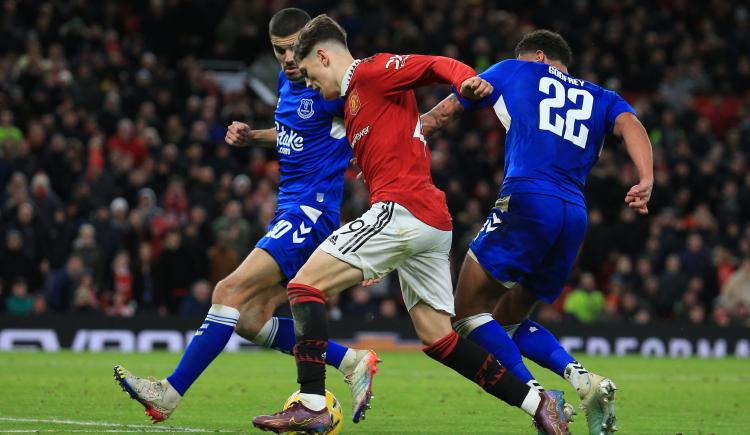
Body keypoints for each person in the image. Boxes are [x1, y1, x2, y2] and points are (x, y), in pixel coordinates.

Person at [252, 15, 567, 435]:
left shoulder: (371, 71)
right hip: (430, 223)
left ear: (324, 56)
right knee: (439, 339)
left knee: (304, 286)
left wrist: (467, 81)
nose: (308, 83)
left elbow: (435, 64)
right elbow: (394, 135)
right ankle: (537, 403)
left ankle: (312, 403)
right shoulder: (354, 101)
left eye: (309, 73)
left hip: (404, 210)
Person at [113, 8, 378, 424]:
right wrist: (255, 136)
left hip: (311, 211)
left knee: (227, 291)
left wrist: (373, 227)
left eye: (294, 50)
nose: (289, 60)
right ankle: (352, 362)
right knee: (252, 320)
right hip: (287, 207)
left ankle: (169, 391)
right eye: (279, 51)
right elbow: (296, 133)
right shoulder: (286, 82)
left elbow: (368, 132)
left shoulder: (333, 87)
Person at [421, 29, 653, 435]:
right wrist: (647, 178)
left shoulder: (516, 70)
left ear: (540, 57)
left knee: (466, 313)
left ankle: (539, 399)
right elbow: (631, 124)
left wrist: (395, 135)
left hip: (528, 199)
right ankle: (583, 380)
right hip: (573, 216)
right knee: (508, 317)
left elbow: (441, 115)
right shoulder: (601, 96)